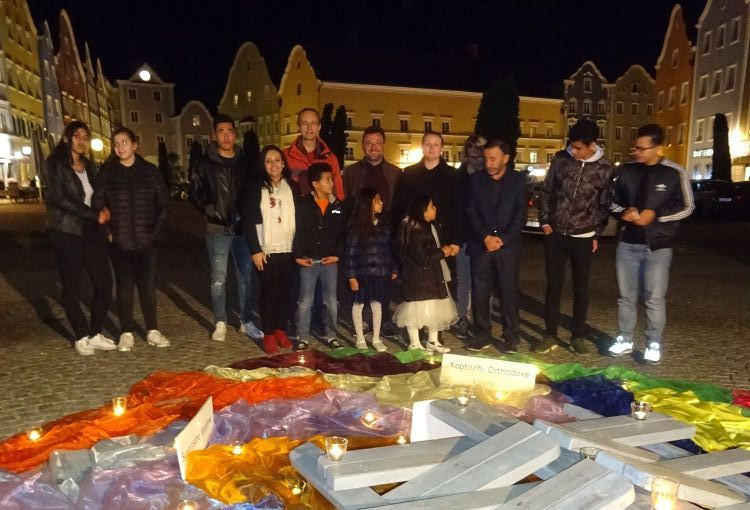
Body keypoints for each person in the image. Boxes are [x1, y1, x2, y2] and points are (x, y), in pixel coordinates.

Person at [607, 124, 694, 364]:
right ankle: (625, 339)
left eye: (642, 149)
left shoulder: (674, 172)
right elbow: (610, 201)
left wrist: (655, 215)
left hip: (658, 245)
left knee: (654, 298)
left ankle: (653, 343)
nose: (636, 152)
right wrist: (623, 213)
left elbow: (687, 207)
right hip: (627, 243)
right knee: (625, 297)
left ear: (658, 148)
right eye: (635, 148)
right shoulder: (626, 170)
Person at [537, 119, 615, 355]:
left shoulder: (604, 167)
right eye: (571, 146)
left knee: (581, 288)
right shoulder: (561, 159)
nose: (573, 151)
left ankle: (577, 335)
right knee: (553, 286)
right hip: (556, 233)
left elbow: (604, 203)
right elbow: (547, 190)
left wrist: (596, 233)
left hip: (584, 235)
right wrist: (545, 222)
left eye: (578, 147)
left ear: (591, 145)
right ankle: (549, 334)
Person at [94, 127, 170, 351]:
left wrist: (156, 233)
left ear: (135, 145)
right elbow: (98, 205)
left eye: (124, 142)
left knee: (147, 287)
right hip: (120, 242)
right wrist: (107, 233)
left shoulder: (150, 172)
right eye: (116, 143)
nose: (120, 147)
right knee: (124, 287)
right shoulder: (107, 174)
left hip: (147, 242)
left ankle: (152, 330)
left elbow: (164, 205)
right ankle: (126, 332)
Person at [189, 114, 261, 343]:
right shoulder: (205, 162)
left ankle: (246, 320)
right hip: (217, 228)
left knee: (245, 277)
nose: (226, 136)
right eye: (221, 131)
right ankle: (220, 321)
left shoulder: (245, 161)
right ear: (214, 135)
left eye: (230, 131)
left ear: (235, 134)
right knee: (218, 278)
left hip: (242, 228)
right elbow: (194, 194)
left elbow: (254, 190)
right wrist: (211, 210)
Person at [45, 120, 115, 355]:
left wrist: (104, 213)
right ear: (67, 138)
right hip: (66, 231)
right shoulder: (56, 164)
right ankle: (81, 336)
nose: (82, 140)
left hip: (90, 231)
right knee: (72, 285)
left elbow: (97, 195)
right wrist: (95, 215)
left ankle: (94, 333)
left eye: (85, 137)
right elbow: (59, 198)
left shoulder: (89, 166)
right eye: (77, 136)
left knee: (104, 282)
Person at [465, 139, 527, 352]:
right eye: (486, 158)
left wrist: (504, 239)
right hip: (481, 245)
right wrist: (485, 237)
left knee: (509, 292)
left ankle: (511, 336)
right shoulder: (475, 180)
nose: (488, 163)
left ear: (506, 158)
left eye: (493, 158)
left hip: (507, 247)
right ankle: (482, 335)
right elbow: (471, 211)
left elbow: (520, 215)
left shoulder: (518, 181)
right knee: (480, 293)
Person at [342, 124, 402, 338]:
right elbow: (347, 203)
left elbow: (399, 204)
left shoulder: (395, 173)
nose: (373, 147)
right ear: (363, 145)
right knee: (363, 279)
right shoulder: (351, 173)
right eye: (369, 143)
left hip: (386, 231)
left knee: (383, 280)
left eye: (377, 142)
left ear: (384, 145)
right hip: (360, 231)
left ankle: (383, 320)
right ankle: (363, 321)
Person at [245, 145, 299, 354]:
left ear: (283, 163)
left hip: (289, 247)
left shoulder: (292, 186)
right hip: (266, 249)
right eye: (268, 161)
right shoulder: (255, 187)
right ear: (263, 165)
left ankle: (280, 330)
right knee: (269, 293)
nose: (273, 165)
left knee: (285, 293)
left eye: (277, 160)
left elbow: (300, 218)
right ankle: (268, 333)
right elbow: (249, 220)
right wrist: (255, 250)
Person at [292, 163, 347, 350]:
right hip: (308, 260)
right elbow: (298, 231)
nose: (331, 183)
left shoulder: (338, 206)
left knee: (331, 301)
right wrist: (298, 255)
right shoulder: (304, 204)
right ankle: (302, 336)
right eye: (327, 180)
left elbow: (342, 234)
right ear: (315, 184)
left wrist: (337, 255)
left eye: (331, 179)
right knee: (305, 300)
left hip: (330, 261)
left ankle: (331, 335)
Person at [393, 194, 457, 352]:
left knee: (434, 307)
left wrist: (443, 252)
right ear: (422, 210)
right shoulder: (415, 228)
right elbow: (421, 257)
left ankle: (433, 341)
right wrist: (442, 252)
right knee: (416, 310)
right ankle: (414, 343)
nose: (435, 209)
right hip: (418, 278)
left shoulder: (425, 226)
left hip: (430, 277)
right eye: (431, 206)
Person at [345, 187, 399, 351]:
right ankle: (360, 338)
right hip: (362, 273)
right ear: (367, 204)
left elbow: (391, 248)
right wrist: (351, 276)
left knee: (377, 304)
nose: (381, 203)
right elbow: (350, 252)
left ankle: (376, 338)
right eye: (377, 200)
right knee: (359, 304)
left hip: (381, 272)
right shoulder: (356, 226)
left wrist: (394, 267)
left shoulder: (385, 224)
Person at [451, 134, 486, 340]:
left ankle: (481, 317)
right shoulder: (460, 177)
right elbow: (456, 210)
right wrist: (456, 237)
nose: (475, 161)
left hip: (483, 237)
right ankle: (463, 316)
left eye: (478, 157)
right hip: (464, 236)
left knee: (482, 279)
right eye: (471, 157)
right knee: (464, 278)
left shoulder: (488, 175)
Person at [284, 107, 344, 198]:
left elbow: (339, 193)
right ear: (299, 126)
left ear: (319, 127)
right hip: (295, 206)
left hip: (323, 206)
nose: (309, 127)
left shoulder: (330, 159)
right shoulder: (285, 156)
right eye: (305, 123)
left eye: (313, 123)